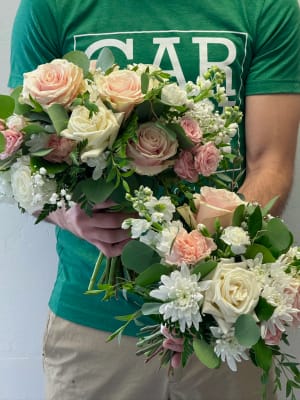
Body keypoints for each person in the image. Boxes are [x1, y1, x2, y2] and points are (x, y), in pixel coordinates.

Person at [8, 0, 300, 399]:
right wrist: (68, 214)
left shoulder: (268, 6)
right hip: (96, 330)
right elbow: (25, 153)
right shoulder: (50, 6)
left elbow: (271, 164)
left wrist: (202, 274)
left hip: (225, 320)